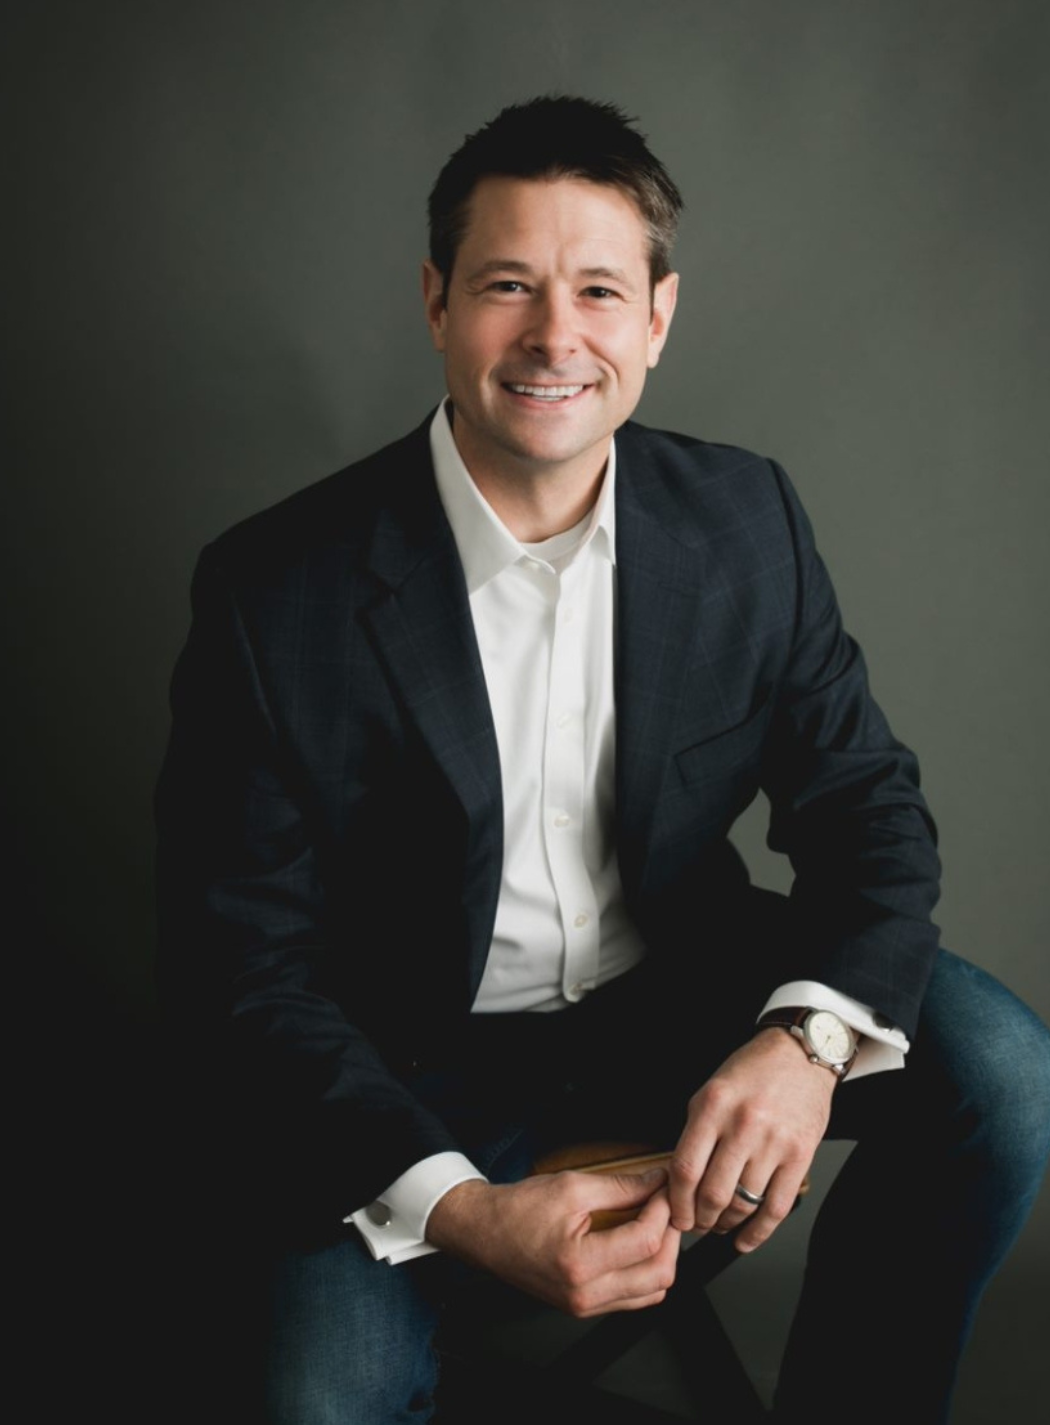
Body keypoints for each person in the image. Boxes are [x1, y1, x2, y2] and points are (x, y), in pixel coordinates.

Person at [156, 96, 1050, 1424]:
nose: (554, 336)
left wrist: (802, 1044)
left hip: (676, 1004)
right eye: (508, 286)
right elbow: (242, 967)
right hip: (401, 1064)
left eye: (596, 290)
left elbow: (864, 807)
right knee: (316, 1397)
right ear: (436, 302)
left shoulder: (744, 517)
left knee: (1000, 1073)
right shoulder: (270, 590)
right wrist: (462, 1211)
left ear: (657, 316)